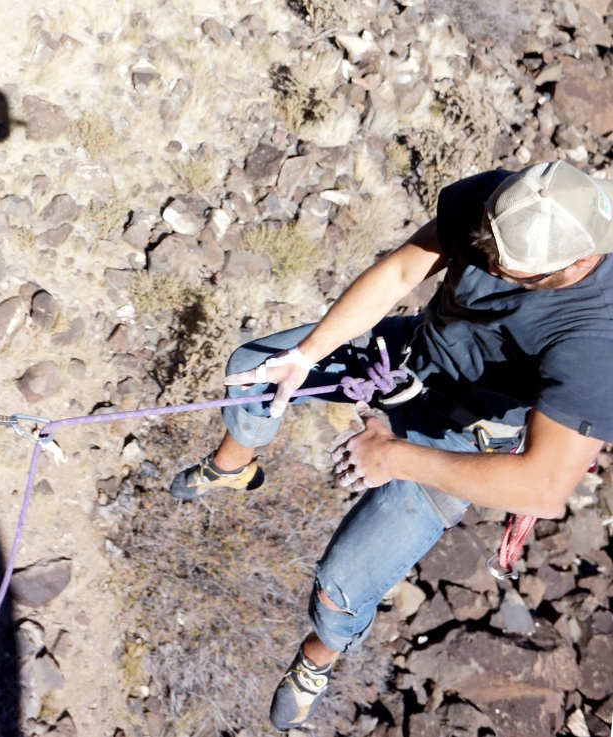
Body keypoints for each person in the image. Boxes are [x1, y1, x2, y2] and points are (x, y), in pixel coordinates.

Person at [168, 161, 613, 729]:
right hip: (415, 356)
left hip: (464, 435)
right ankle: (234, 466)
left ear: (576, 263)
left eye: (512, 272)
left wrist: (391, 456)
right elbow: (404, 269)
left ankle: (316, 660)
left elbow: (544, 487)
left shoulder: (598, 339)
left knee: (339, 591)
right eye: (489, 252)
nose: (491, 269)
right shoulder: (520, 200)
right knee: (258, 371)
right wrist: (306, 356)